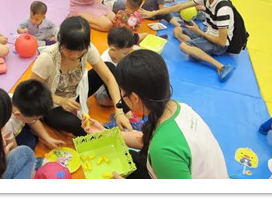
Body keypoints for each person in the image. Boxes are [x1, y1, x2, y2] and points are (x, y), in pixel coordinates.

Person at [83, 50, 228, 179]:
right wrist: (105, 134)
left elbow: (161, 147)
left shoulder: (162, 151)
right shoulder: (177, 107)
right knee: (127, 157)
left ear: (134, 98)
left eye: (121, 89)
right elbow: (147, 139)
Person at [29, 16, 132, 136]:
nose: (74, 56)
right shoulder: (48, 58)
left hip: (77, 94)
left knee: (109, 67)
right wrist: (60, 100)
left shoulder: (88, 49)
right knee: (77, 125)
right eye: (69, 51)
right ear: (61, 41)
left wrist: (119, 111)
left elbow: (109, 79)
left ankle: (127, 115)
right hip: (52, 104)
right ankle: (108, 135)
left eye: (80, 51)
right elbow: (32, 90)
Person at [142, 0, 237, 82]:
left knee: (183, 46)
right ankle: (197, 49)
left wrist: (199, 32)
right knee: (177, 30)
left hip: (218, 44)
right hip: (208, 33)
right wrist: (154, 12)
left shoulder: (222, 9)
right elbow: (179, 7)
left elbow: (222, 42)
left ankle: (221, 67)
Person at [4, 79, 64, 151]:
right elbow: (14, 149)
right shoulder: (6, 124)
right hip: (3, 137)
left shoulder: (17, 101)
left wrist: (48, 138)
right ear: (18, 115)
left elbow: (34, 122)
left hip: (18, 125)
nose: (37, 120)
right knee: (28, 145)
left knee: (33, 137)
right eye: (35, 118)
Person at [94, 27, 141, 107]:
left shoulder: (120, 54)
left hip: (119, 81)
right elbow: (109, 83)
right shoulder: (104, 62)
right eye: (125, 53)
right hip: (105, 87)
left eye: (129, 52)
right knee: (102, 98)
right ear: (113, 49)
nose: (128, 55)